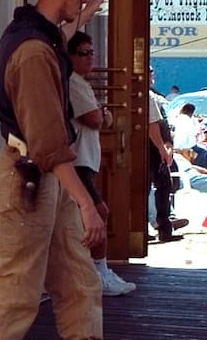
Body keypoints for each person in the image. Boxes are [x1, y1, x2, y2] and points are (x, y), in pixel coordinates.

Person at [0, 0, 108, 340]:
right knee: (15, 293)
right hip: (29, 175)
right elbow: (48, 141)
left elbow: (60, 36)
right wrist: (87, 203)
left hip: (42, 175)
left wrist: (84, 16)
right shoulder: (33, 52)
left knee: (79, 283)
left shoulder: (38, 35)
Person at [65, 32, 135, 297]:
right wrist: (102, 113)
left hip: (87, 158)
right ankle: (98, 272)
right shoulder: (72, 83)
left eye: (92, 52)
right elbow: (96, 119)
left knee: (82, 217)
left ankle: (89, 271)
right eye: (83, 53)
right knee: (98, 212)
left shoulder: (81, 83)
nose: (90, 58)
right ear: (69, 56)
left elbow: (101, 118)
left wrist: (102, 114)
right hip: (77, 159)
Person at [144, 67, 188, 242]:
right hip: (151, 149)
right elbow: (152, 125)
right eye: (149, 72)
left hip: (161, 147)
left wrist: (168, 145)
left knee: (165, 186)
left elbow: (163, 124)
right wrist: (162, 148)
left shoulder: (154, 95)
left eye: (152, 71)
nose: (152, 75)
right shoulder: (146, 96)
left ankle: (164, 227)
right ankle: (152, 228)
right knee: (149, 188)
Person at [171, 103, 207, 168]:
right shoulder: (190, 120)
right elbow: (195, 132)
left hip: (177, 143)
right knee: (203, 151)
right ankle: (197, 166)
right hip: (186, 144)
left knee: (204, 149)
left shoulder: (177, 118)